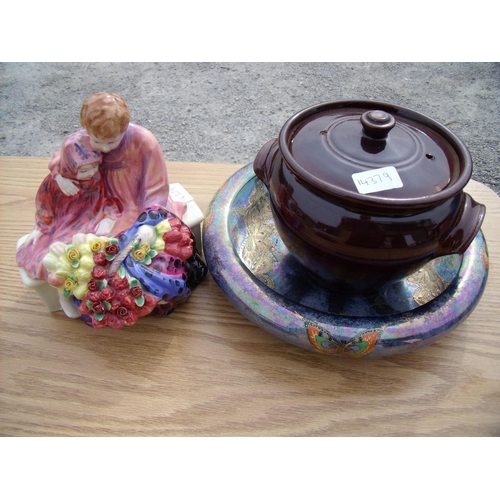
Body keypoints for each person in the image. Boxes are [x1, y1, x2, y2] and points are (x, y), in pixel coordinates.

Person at [42, 205, 208, 327]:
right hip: (129, 268)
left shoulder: (107, 247)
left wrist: (144, 228)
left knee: (162, 260)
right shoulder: (94, 285)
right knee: (162, 283)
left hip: (132, 246)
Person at [48, 92, 186, 234]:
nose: (105, 149)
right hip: (97, 200)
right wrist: (59, 176)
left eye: (112, 142)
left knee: (126, 237)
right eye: (96, 141)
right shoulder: (83, 139)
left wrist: (148, 222)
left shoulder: (144, 142)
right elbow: (64, 154)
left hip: (134, 201)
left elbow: (156, 186)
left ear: (124, 130)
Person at [16, 131, 123, 284]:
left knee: (97, 248)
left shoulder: (96, 177)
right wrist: (41, 227)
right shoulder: (54, 183)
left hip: (92, 217)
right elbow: (44, 204)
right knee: (54, 252)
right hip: (64, 222)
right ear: (69, 167)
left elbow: (106, 198)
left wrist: (108, 217)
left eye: (94, 166)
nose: (91, 173)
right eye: (84, 170)